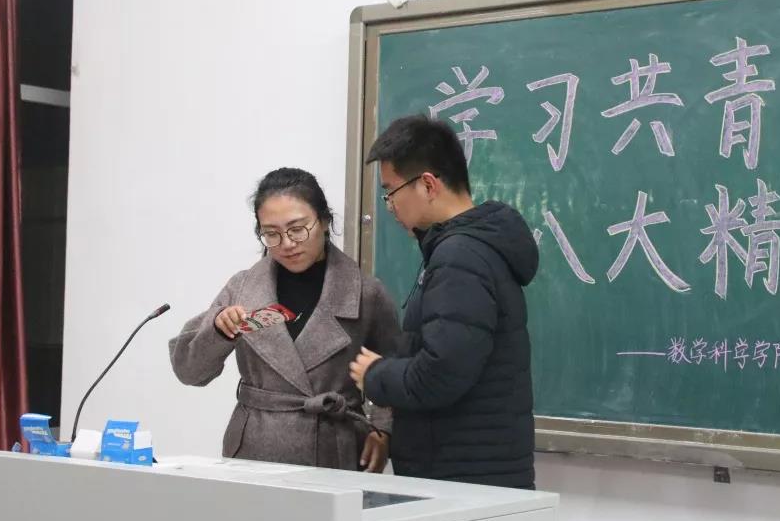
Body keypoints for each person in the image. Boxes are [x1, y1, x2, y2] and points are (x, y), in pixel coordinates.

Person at [349, 115, 539, 489]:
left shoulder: (460, 257)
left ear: (428, 185)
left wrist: (375, 375)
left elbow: (440, 375)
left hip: (465, 480)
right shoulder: (469, 248)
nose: (390, 206)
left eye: (390, 192)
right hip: (472, 473)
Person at [170, 168, 400, 471]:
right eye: (272, 234)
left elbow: (395, 369)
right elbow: (189, 372)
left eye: (297, 229)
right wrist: (218, 331)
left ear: (324, 221)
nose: (287, 243)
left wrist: (382, 430)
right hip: (255, 449)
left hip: (333, 449)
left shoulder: (366, 293)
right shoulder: (242, 288)